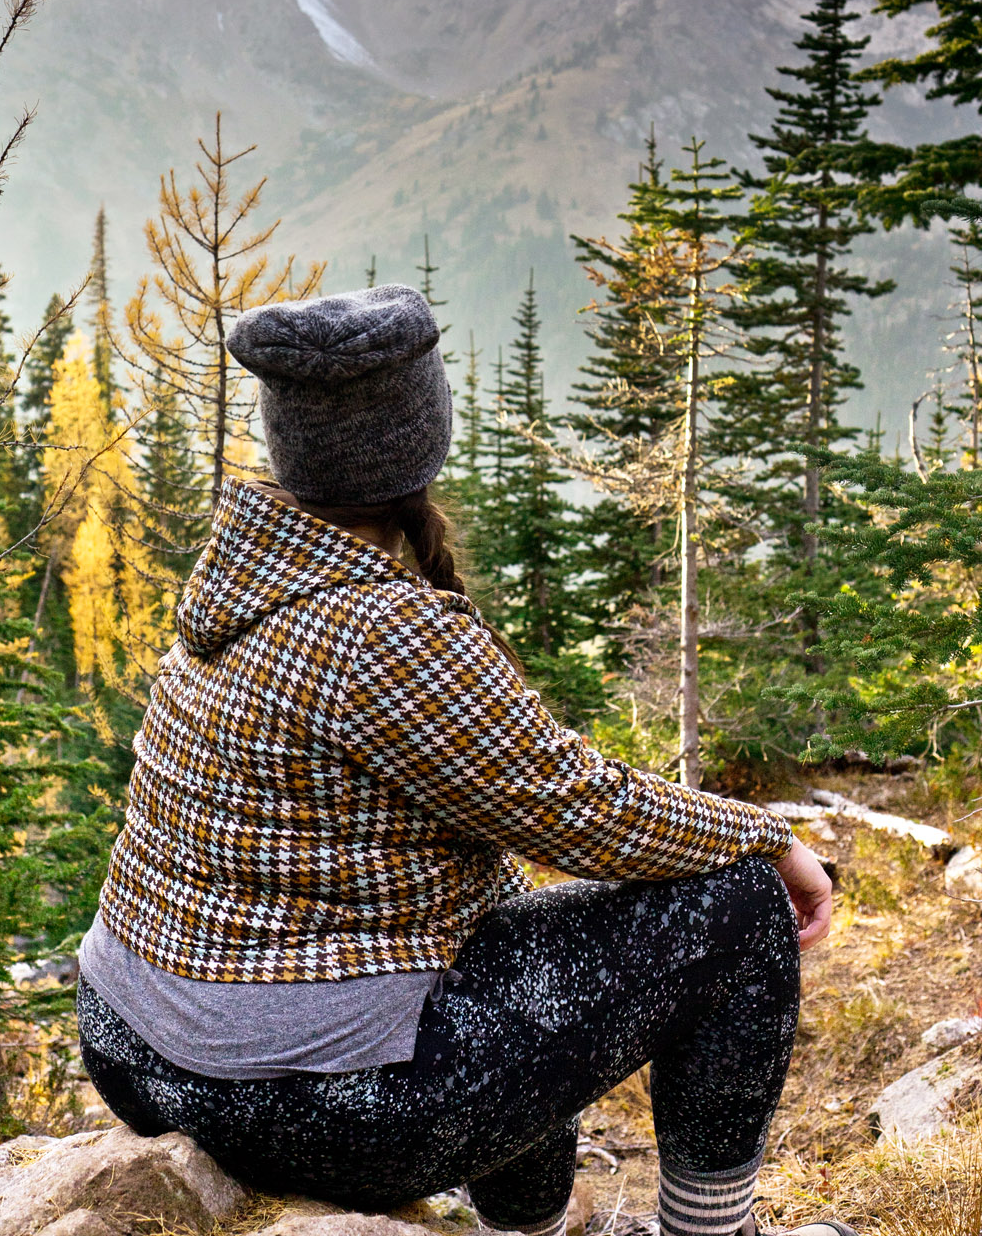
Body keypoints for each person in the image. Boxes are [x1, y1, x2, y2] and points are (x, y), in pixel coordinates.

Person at [77, 285, 854, 1236]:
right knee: (731, 904)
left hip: (130, 1046)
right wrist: (772, 842)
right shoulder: (384, 631)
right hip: (301, 1105)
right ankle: (710, 1231)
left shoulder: (239, 579)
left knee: (501, 937)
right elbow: (584, 810)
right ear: (423, 435)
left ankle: (529, 1227)